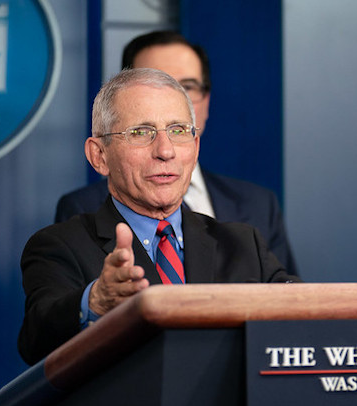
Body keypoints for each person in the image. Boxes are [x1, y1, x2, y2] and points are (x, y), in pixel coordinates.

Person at [18, 68, 357, 366]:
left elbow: (313, 319)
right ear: (99, 156)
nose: (165, 150)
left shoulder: (243, 244)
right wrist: (96, 301)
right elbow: (37, 338)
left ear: (195, 147)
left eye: (179, 131)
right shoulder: (59, 245)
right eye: (142, 132)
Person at [54, 31, 300, 275]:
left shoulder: (258, 207)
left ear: (206, 100)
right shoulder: (80, 212)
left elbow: (290, 305)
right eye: (156, 83)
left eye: (187, 87)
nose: (171, 97)